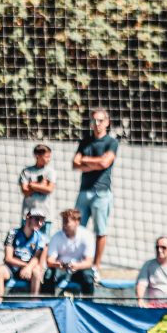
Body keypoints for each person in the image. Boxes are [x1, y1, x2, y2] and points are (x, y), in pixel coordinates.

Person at [72, 107, 119, 278]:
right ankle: (77, 265)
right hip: (84, 191)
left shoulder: (111, 142)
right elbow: (75, 163)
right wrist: (95, 162)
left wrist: (86, 161)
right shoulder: (85, 141)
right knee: (76, 228)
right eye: (94, 121)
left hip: (102, 193)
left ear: (107, 122)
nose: (97, 124)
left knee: (100, 231)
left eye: (100, 120)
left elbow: (105, 163)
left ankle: (96, 267)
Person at [0, 210, 48, 303]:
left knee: (37, 272)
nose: (40, 223)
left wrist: (28, 268)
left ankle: (34, 303)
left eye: (42, 221)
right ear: (28, 217)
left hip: (29, 271)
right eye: (37, 219)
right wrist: (25, 266)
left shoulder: (41, 237)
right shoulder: (13, 233)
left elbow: (36, 258)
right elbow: (8, 258)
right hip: (12, 268)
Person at [43, 209, 96, 296]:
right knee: (48, 274)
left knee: (88, 277)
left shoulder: (87, 236)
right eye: (63, 221)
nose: (64, 225)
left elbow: (89, 262)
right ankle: (48, 302)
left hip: (79, 269)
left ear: (77, 222)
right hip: (61, 269)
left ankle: (88, 304)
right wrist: (58, 264)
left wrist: (76, 266)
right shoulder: (56, 237)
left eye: (67, 222)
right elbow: (50, 260)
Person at [19, 144, 56, 235]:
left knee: (43, 244)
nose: (49, 159)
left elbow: (49, 189)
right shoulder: (26, 172)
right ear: (37, 156)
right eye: (46, 157)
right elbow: (25, 191)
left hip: (45, 215)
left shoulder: (50, 172)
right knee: (25, 243)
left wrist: (31, 185)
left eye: (49, 157)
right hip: (29, 215)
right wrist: (41, 185)